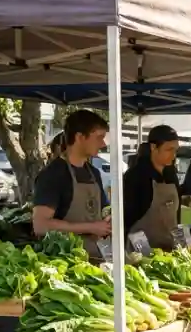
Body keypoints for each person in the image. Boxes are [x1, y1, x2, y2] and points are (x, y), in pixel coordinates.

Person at [32, 110, 111, 256]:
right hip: (64, 261)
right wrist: (91, 227)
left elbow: (104, 209)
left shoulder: (94, 173)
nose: (103, 144)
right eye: (99, 137)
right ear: (80, 137)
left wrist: (109, 217)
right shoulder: (53, 175)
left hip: (95, 257)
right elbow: (41, 225)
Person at [121, 125, 181, 250]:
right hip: (141, 251)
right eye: (169, 149)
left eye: (175, 150)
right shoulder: (135, 176)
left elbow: (176, 214)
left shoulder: (171, 175)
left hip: (169, 248)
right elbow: (127, 218)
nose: (173, 155)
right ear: (154, 147)